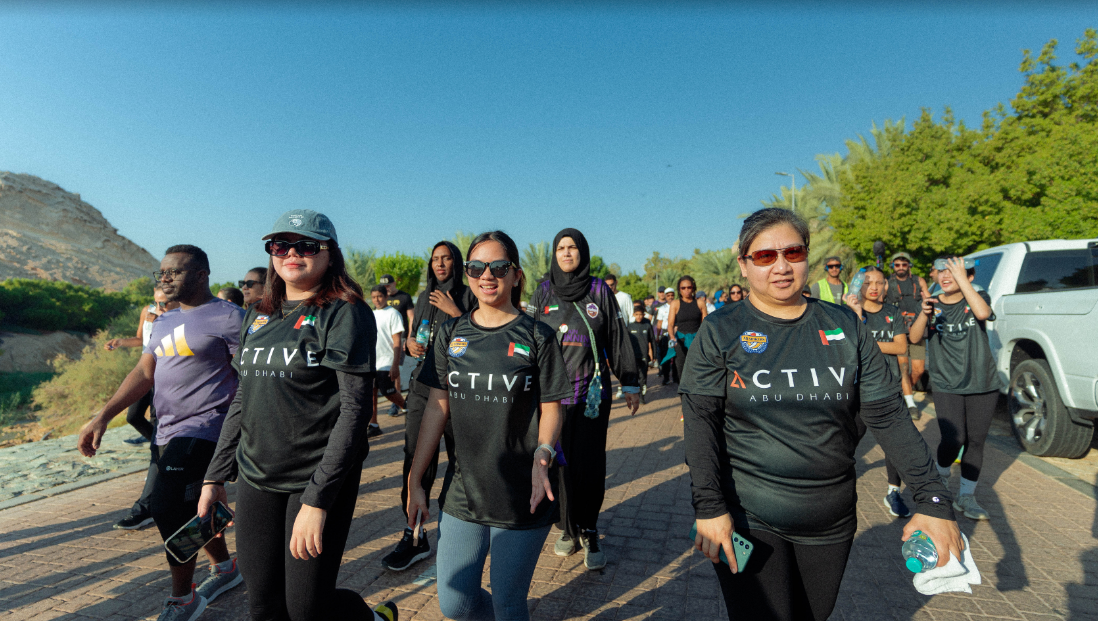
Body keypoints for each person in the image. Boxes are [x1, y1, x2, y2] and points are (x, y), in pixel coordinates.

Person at [682, 208, 962, 621]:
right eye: (764, 257)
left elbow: (886, 414)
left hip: (831, 518)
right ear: (743, 265)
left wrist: (934, 500)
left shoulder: (844, 324)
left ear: (807, 257)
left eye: (792, 253)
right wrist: (709, 507)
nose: (781, 266)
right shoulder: (722, 329)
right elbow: (700, 421)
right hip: (750, 514)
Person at [199, 210, 397, 621]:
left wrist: (317, 499)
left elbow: (355, 409)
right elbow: (243, 400)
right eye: (280, 245)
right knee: (263, 604)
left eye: (307, 246)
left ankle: (371, 618)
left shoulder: (345, 312)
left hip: (316, 477)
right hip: (256, 477)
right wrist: (215, 476)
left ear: (329, 254)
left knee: (307, 608)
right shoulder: (258, 313)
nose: (292, 254)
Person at [407, 230, 571, 621]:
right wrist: (416, 479)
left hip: (523, 493)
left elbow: (552, 408)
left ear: (516, 275)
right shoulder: (451, 333)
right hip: (465, 489)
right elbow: (436, 408)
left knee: (508, 604)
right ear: (467, 274)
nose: (487, 275)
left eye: (499, 267)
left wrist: (543, 454)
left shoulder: (537, 335)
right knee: (455, 603)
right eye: (477, 267)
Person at [78, 244, 246, 621]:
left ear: (202, 275)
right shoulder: (165, 320)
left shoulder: (231, 317)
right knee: (189, 507)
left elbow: (252, 378)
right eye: (162, 273)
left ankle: (183, 599)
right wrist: (102, 416)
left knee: (165, 506)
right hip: (166, 429)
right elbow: (143, 373)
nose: (165, 279)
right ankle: (225, 568)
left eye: (175, 272)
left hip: (207, 426)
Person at [527, 228, 641, 570]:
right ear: (554, 254)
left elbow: (618, 336)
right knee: (558, 465)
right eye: (561, 248)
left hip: (591, 396)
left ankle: (589, 528)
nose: (566, 253)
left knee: (589, 465)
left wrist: (631, 382)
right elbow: (529, 339)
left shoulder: (598, 290)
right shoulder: (542, 291)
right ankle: (567, 529)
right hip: (552, 400)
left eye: (572, 247)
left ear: (582, 252)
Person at [383, 241, 477, 571]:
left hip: (457, 389)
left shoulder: (468, 294)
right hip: (423, 386)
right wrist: (409, 344)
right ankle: (414, 535)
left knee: (460, 460)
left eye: (446, 258)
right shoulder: (423, 296)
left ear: (457, 262)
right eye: (435, 259)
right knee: (415, 459)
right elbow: (414, 336)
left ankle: (462, 532)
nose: (440, 264)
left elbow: (481, 338)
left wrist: (456, 313)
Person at [909, 255, 1002, 522]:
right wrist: (923, 314)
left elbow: (983, 313)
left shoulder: (978, 296)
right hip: (946, 382)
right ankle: (940, 474)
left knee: (975, 441)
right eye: (942, 273)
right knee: (953, 438)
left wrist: (963, 280)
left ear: (968, 277)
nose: (945, 277)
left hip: (982, 381)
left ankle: (967, 496)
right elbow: (915, 338)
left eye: (953, 272)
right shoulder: (932, 303)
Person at [103, 287, 179, 530]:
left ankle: (146, 506)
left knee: (159, 442)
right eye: (157, 303)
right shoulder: (148, 311)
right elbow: (142, 340)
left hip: (166, 380)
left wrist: (162, 323)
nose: (160, 308)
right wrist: (121, 342)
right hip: (147, 371)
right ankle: (162, 452)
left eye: (165, 304)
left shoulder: (182, 318)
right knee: (133, 416)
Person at [843, 267, 914, 518]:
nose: (873, 286)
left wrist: (867, 342)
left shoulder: (893, 312)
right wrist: (857, 316)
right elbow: (847, 348)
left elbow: (901, 346)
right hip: (858, 390)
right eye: (867, 282)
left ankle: (893, 492)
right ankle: (836, 489)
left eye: (879, 282)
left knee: (894, 446)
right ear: (858, 287)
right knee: (846, 442)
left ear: (886, 286)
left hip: (888, 388)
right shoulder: (849, 315)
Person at [886, 252, 931, 419]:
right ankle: (910, 403)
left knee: (918, 370)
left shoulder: (918, 281)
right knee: (904, 368)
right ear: (893, 266)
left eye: (904, 264)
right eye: (897, 265)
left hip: (917, 328)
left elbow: (927, 297)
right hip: (898, 329)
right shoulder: (888, 282)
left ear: (909, 266)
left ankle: (904, 393)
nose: (901, 268)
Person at [369, 285, 407, 438]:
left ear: (386, 297)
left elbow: (397, 341)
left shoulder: (393, 314)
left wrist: (395, 365)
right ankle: (373, 424)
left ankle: (406, 407)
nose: (376, 300)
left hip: (387, 360)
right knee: (371, 393)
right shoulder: (371, 314)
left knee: (387, 390)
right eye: (373, 297)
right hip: (372, 361)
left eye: (379, 296)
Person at [664, 275, 708, 386]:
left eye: (689, 287)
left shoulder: (700, 303)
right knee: (682, 370)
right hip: (680, 340)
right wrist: (672, 337)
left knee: (698, 369)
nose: (687, 290)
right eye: (683, 288)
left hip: (697, 340)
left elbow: (706, 324)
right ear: (679, 289)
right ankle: (684, 397)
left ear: (693, 288)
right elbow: (670, 324)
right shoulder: (675, 303)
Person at [626, 306, 655, 403]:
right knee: (634, 377)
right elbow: (626, 343)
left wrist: (653, 355)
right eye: (637, 314)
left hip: (644, 356)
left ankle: (642, 396)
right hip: (632, 356)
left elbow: (652, 341)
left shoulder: (647, 326)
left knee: (643, 377)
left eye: (641, 314)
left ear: (644, 314)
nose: (639, 317)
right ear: (633, 315)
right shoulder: (630, 326)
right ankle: (636, 395)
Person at [655, 287, 676, 385]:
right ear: (666, 296)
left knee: (676, 356)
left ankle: (676, 377)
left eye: (672, 295)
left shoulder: (678, 306)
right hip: (665, 334)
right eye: (668, 295)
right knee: (665, 356)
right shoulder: (662, 309)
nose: (670, 297)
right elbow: (659, 323)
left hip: (676, 333)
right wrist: (658, 336)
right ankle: (666, 377)